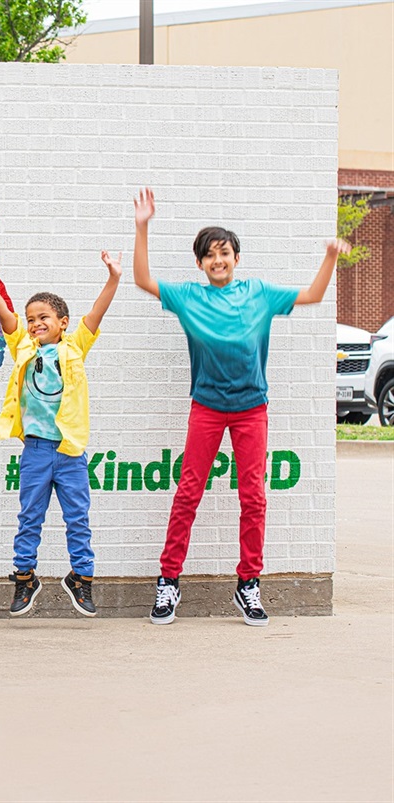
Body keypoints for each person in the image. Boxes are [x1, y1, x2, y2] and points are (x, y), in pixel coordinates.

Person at [132, 187, 350, 626]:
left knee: (254, 498)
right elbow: (142, 280)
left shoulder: (260, 293)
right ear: (199, 263)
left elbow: (312, 296)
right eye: (209, 255)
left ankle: (248, 584)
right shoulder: (189, 297)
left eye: (225, 252)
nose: (218, 260)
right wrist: (142, 227)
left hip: (252, 408)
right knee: (188, 492)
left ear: (236, 257)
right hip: (207, 408)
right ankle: (168, 581)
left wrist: (330, 257)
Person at [0, 250, 121, 617]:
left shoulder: (74, 346)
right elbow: (4, 314)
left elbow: (97, 313)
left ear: (63, 322)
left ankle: (81, 579)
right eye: (31, 319)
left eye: (44, 317)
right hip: (36, 450)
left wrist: (114, 278)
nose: (36, 323)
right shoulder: (23, 347)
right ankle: (25, 578)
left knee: (78, 517)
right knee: (30, 516)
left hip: (69, 451)